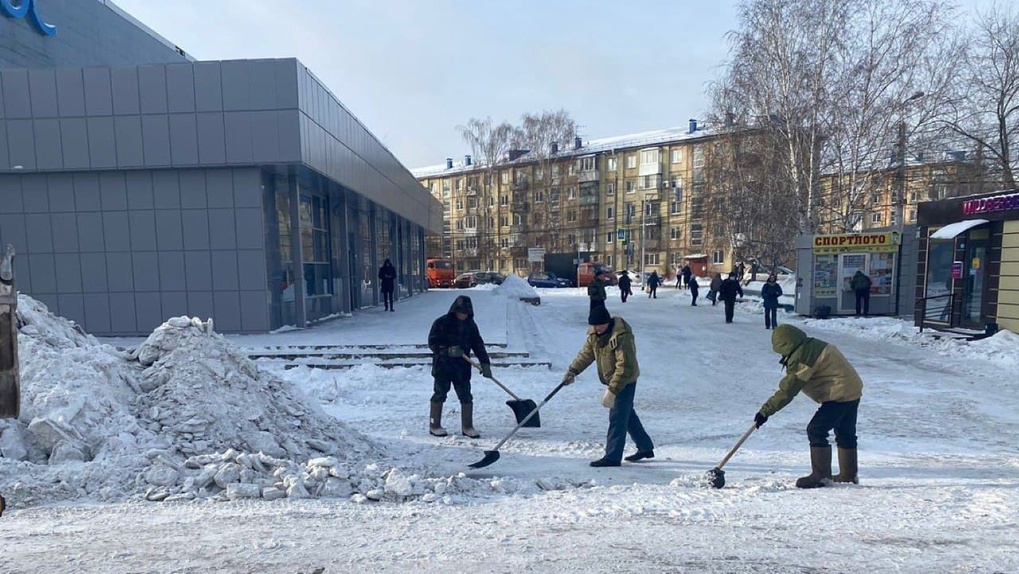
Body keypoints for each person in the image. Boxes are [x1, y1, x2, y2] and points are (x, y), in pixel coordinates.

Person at [753, 325, 864, 488]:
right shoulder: (811, 345)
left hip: (839, 393)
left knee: (816, 430)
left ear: (784, 345)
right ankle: (848, 475)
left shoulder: (803, 357)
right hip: (852, 389)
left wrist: (765, 411)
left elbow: (788, 390)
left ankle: (821, 476)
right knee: (845, 432)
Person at [561, 305, 655, 467]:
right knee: (627, 414)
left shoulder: (621, 336)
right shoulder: (595, 335)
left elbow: (625, 366)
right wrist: (573, 371)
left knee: (618, 417)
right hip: (612, 378)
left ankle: (612, 456)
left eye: (599, 325)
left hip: (624, 379)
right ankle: (645, 446)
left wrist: (612, 390)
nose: (597, 329)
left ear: (607, 322)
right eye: (594, 325)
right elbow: (586, 354)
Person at [427, 295, 492, 438]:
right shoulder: (441, 323)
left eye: (466, 313)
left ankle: (467, 427)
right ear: (455, 310)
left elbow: (478, 345)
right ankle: (434, 425)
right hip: (443, 367)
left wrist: (485, 363)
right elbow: (432, 343)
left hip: (461, 368)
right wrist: (447, 350)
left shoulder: (470, 325)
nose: (463, 315)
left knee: (466, 396)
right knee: (440, 394)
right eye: (461, 312)